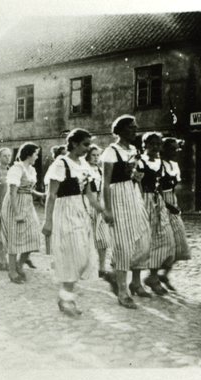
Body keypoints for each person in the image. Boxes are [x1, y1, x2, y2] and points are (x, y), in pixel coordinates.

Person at [43, 129, 112, 316]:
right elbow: (51, 195)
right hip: (65, 212)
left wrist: (103, 211)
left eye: (89, 144)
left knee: (83, 256)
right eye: (85, 144)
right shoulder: (61, 163)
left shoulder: (83, 164)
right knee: (72, 256)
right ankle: (66, 300)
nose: (87, 148)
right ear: (74, 144)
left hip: (81, 213)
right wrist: (48, 221)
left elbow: (89, 194)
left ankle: (66, 297)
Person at [101, 115, 151, 309]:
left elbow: (133, 175)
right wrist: (107, 209)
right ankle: (122, 291)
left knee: (142, 238)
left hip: (132, 195)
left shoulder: (134, 150)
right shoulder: (110, 151)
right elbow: (105, 182)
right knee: (123, 242)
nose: (134, 131)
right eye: (131, 127)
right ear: (120, 130)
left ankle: (136, 282)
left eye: (135, 127)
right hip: (117, 197)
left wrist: (137, 177)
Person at [136, 132, 176, 295]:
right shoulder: (139, 161)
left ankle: (153, 276)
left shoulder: (160, 163)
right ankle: (136, 281)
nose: (155, 147)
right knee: (143, 240)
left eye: (158, 144)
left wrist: (166, 204)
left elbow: (159, 185)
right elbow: (136, 184)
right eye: (152, 144)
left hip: (157, 202)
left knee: (165, 239)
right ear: (144, 145)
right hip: (142, 200)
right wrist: (138, 204)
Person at [1, 143, 44, 284]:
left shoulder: (31, 169)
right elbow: (13, 192)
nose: (37, 157)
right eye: (36, 154)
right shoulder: (16, 168)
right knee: (14, 236)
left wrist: (40, 194)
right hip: (15, 204)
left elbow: (28, 189)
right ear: (29, 154)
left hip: (27, 204)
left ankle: (20, 264)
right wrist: (16, 213)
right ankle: (12, 271)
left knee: (34, 234)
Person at [160, 137, 192, 290]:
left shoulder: (174, 165)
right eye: (171, 148)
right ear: (163, 149)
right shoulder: (158, 164)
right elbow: (156, 191)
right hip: (160, 203)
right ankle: (152, 275)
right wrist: (168, 205)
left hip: (172, 202)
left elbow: (175, 187)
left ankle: (164, 273)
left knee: (179, 242)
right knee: (164, 241)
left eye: (176, 148)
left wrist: (175, 204)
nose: (175, 152)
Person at [84, 144, 114, 281]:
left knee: (102, 237)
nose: (96, 158)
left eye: (98, 155)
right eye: (93, 155)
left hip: (99, 202)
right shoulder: (85, 169)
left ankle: (102, 267)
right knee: (87, 236)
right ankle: (86, 267)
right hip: (87, 203)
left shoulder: (100, 170)